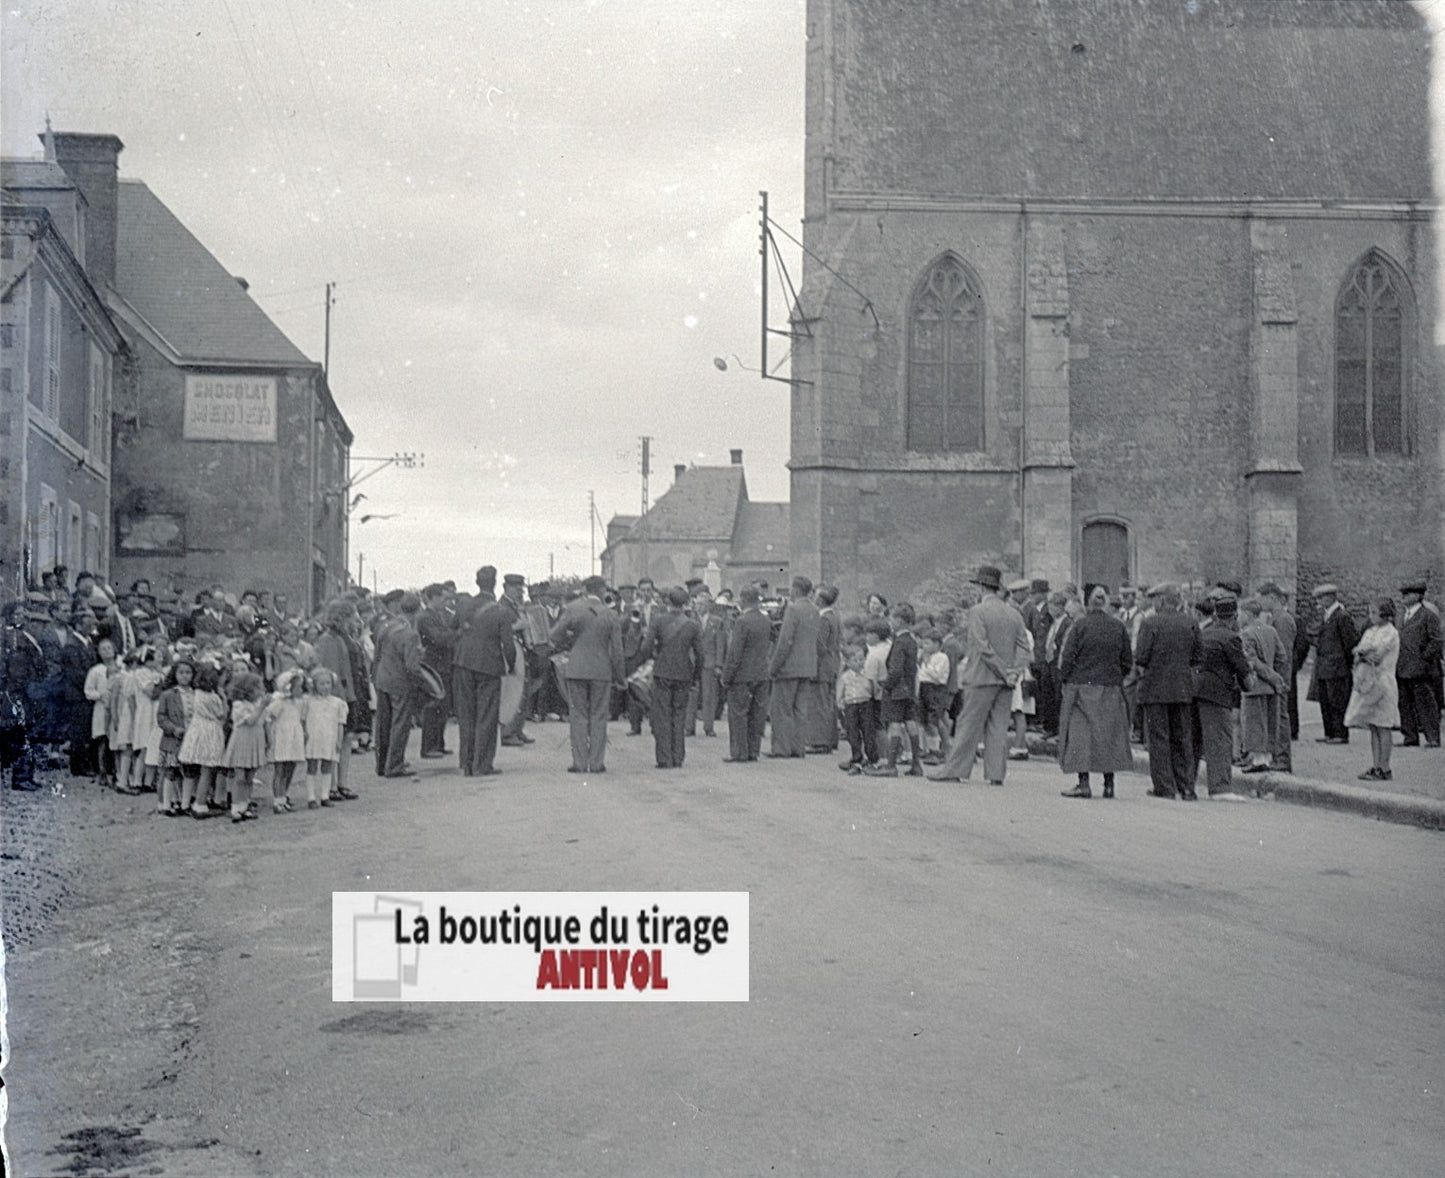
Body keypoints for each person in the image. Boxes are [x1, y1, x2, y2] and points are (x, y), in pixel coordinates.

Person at [929, 566, 1030, 786]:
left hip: (981, 678)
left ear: (983, 587)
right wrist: (1013, 672)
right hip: (1006, 682)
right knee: (998, 726)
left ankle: (954, 770)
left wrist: (1003, 670)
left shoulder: (977, 612)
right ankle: (995, 774)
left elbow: (982, 647)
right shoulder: (1014, 614)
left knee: (968, 725)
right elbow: (1025, 648)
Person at [1057, 586, 1134, 799]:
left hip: (1081, 687)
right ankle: (1109, 785)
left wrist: (1066, 680)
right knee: (1108, 734)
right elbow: (1127, 660)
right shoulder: (1118, 627)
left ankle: (1084, 783)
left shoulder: (1079, 626)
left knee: (1082, 736)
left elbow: (1068, 658)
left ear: (1087, 601)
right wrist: (1115, 675)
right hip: (1110, 687)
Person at [549, 575, 625, 774]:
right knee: (599, 716)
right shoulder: (611, 614)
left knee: (578, 715)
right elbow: (617, 652)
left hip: (577, 668)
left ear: (585, 589)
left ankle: (580, 763)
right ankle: (597, 763)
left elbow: (553, 635)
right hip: (602, 670)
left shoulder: (573, 609)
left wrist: (571, 639)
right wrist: (620, 678)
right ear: (602, 591)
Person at [1133, 583, 1201, 799]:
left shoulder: (1150, 622)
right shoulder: (1191, 623)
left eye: (1155, 599)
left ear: (1162, 600)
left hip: (1155, 689)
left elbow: (1142, 656)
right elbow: (1198, 656)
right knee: (1182, 738)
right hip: (1182, 688)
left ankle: (1165, 786)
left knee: (1159, 738)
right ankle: (1187, 786)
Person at [1191, 594, 1254, 802]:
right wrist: (1247, 684)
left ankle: (1186, 785)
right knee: (1219, 741)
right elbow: (1243, 671)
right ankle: (1220, 788)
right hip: (1217, 695)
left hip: (1194, 690)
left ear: (1216, 614)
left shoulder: (1204, 633)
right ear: (1234, 616)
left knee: (1193, 741)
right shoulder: (1231, 637)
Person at [640, 587, 704, 769]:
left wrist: (650, 658)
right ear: (685, 603)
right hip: (684, 673)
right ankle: (678, 757)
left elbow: (646, 647)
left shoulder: (659, 621)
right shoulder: (692, 624)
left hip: (663, 671)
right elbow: (700, 655)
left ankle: (664, 758)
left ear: (668, 601)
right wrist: (696, 676)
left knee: (662, 716)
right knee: (679, 715)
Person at [1346, 598, 1401, 781]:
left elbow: (1376, 655)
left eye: (1374, 613)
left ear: (1385, 614)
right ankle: (1376, 765)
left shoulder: (1391, 633)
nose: (1371, 617)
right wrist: (1361, 654)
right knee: (1373, 726)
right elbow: (1359, 651)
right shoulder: (1370, 631)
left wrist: (1362, 653)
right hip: (1368, 680)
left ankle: (1385, 768)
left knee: (1383, 725)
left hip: (1383, 681)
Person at [766, 576, 821, 758]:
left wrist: (774, 666)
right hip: (807, 667)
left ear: (796, 590)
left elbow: (785, 641)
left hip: (789, 667)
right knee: (800, 710)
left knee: (781, 709)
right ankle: (798, 747)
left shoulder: (793, 609)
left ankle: (781, 748)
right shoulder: (815, 610)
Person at [867, 601, 923, 776]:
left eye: (892, 618)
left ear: (900, 620)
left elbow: (896, 669)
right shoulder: (912, 641)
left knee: (894, 725)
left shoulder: (899, 642)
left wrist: (887, 685)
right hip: (909, 689)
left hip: (897, 690)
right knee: (911, 722)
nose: (891, 622)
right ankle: (916, 763)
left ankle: (891, 765)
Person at [372, 593, 425, 778]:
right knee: (400, 724)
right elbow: (412, 666)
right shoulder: (410, 634)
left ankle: (381, 764)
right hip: (400, 683)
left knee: (383, 724)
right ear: (417, 610)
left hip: (382, 679)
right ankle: (395, 765)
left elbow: (377, 655)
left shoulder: (385, 626)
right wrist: (422, 683)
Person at [721, 586, 772, 763]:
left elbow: (735, 653)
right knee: (757, 714)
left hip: (742, 675)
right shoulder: (766, 621)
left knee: (738, 714)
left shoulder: (742, 622)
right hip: (761, 674)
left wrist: (726, 677)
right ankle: (753, 751)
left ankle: (739, 752)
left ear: (743, 600)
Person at [1237, 598, 1288, 777]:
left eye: (1241, 613)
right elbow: (1282, 657)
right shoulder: (1271, 630)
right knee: (1268, 722)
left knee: (1254, 723)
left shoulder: (1246, 634)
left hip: (1255, 685)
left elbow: (1251, 661)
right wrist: (1276, 676)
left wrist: (1270, 676)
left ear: (1249, 614)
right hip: (1271, 687)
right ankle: (1266, 759)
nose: (1239, 616)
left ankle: (1258, 761)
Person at [1258, 581, 1300, 768]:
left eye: (1263, 599)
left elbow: (1283, 654)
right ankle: (1278, 756)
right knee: (1276, 717)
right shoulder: (1275, 618)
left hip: (1279, 677)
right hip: (1276, 676)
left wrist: (1277, 678)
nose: (1261, 603)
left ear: (1272, 598)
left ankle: (1283, 758)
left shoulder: (1282, 620)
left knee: (1281, 717)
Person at [1396, 580, 1442, 748]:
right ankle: (1410, 737)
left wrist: (1423, 658)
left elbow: (1436, 641)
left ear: (1418, 596)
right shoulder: (1401, 615)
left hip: (1421, 669)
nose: (1403, 597)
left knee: (1426, 704)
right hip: (1402, 667)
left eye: (1407, 594)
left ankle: (1433, 738)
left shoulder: (1428, 615)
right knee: (1404, 703)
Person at [1310, 584, 1358, 744]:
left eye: (1321, 598)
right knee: (1325, 701)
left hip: (1337, 667)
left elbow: (1349, 642)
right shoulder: (1327, 615)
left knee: (1337, 701)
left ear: (1331, 597)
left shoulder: (1342, 616)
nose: (1319, 601)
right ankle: (1329, 732)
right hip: (1325, 666)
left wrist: (1345, 664)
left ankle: (1340, 733)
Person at [179, 663, 227, 817]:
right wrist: (224, 698)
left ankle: (198, 801)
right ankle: (200, 804)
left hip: (197, 729)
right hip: (210, 731)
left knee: (201, 769)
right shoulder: (213, 697)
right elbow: (222, 715)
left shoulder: (196, 693)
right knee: (207, 770)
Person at [416, 583, 456, 758]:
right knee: (434, 706)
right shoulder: (426, 617)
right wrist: (456, 634)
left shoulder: (438, 615)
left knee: (443, 706)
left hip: (443, 665)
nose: (445, 601)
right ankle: (428, 747)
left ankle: (438, 744)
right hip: (434, 665)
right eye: (442, 598)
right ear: (433, 598)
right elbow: (438, 638)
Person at [220, 671, 267, 822]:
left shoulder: (257, 705)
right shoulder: (239, 705)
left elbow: (263, 722)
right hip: (242, 742)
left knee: (249, 777)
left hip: (254, 742)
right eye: (258, 688)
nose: (261, 691)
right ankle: (235, 807)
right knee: (239, 777)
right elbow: (251, 721)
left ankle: (245, 805)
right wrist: (262, 707)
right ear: (247, 689)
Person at [303, 667, 351, 807]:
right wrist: (305, 734)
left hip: (329, 738)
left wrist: (339, 739)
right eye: (322, 684)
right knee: (312, 766)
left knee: (327, 765)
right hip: (314, 737)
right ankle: (311, 798)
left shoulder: (337, 703)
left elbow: (340, 723)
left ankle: (325, 796)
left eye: (328, 683)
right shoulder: (309, 701)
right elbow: (303, 720)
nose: (325, 687)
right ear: (314, 685)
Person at [266, 669, 308, 813]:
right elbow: (268, 717)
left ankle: (284, 796)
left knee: (291, 767)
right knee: (280, 769)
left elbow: (301, 720)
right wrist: (269, 738)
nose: (301, 690)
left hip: (294, 737)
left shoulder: (300, 702)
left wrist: (304, 734)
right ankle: (278, 801)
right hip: (282, 737)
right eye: (298, 687)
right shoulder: (279, 702)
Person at [806, 585, 842, 753]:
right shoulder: (834, 616)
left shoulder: (823, 619)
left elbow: (819, 646)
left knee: (819, 704)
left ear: (820, 600)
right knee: (828, 703)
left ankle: (820, 741)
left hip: (822, 666)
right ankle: (830, 739)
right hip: (832, 664)